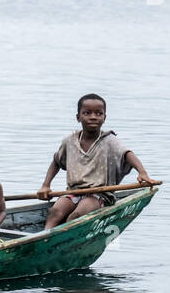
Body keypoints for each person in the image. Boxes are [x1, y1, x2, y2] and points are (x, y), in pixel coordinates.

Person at [37, 94, 158, 230]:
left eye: (98, 113)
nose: (93, 117)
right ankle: (45, 237)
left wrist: (142, 173)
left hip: (99, 194)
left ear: (104, 118)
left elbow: (127, 154)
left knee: (76, 216)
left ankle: (61, 239)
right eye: (87, 113)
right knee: (55, 212)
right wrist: (45, 185)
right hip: (74, 192)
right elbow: (56, 162)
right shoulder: (69, 141)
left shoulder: (109, 141)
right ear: (78, 117)